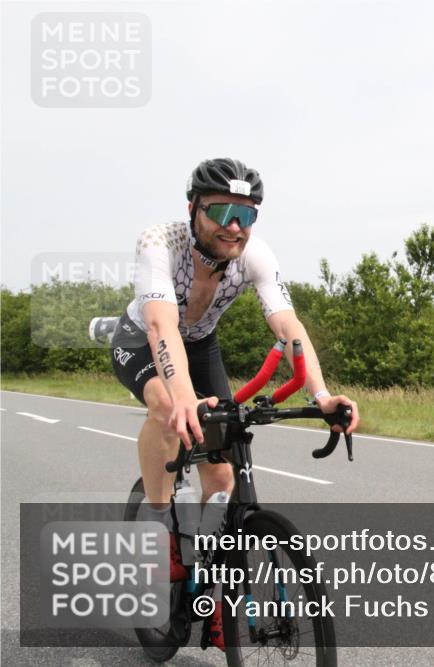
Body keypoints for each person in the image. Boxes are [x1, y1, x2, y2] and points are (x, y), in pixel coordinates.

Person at [96, 157, 359, 649]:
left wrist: (321, 395)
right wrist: (183, 400)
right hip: (142, 339)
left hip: (200, 344)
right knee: (167, 413)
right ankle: (159, 535)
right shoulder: (161, 242)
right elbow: (160, 327)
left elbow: (289, 327)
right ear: (194, 208)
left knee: (221, 476)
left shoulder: (255, 255)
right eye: (221, 211)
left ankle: (208, 587)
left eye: (247, 215)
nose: (234, 226)